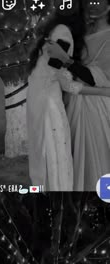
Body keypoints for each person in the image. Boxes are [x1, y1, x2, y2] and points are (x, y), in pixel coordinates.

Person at [26, 2, 110, 191]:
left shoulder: (64, 32)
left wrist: (66, 61)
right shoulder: (72, 34)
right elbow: (64, 75)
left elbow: (94, 78)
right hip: (67, 102)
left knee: (88, 158)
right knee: (64, 153)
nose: (93, 6)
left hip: (93, 107)